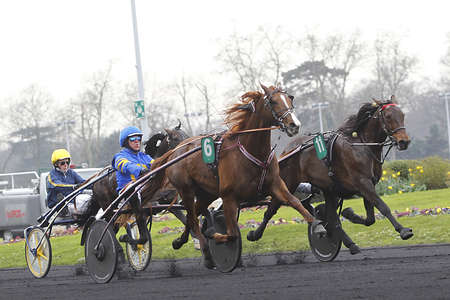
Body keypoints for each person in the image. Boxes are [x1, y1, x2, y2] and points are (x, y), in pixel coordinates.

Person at [112, 126, 153, 193]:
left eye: (138, 138)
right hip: (127, 193)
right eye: (133, 139)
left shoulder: (145, 157)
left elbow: (156, 163)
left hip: (145, 190)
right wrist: (140, 170)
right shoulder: (120, 156)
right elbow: (126, 165)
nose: (137, 141)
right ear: (125, 142)